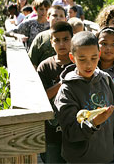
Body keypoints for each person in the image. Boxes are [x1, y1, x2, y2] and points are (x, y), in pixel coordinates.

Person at [54, 31, 114, 163]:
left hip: (109, 158)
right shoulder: (67, 90)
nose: (89, 65)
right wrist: (93, 123)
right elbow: (70, 132)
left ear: (99, 55)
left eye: (94, 58)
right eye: (82, 59)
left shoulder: (105, 80)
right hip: (79, 160)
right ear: (72, 58)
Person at [37, 21, 74, 163]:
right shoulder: (45, 67)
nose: (62, 44)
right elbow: (42, 96)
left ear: (72, 39)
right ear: (51, 42)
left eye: (66, 39)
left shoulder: (80, 63)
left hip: (75, 131)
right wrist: (62, 83)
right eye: (57, 40)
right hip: (51, 131)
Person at [28, 5, 67, 69]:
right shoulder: (40, 37)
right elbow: (32, 62)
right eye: (55, 15)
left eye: (61, 16)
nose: (58, 18)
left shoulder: (71, 38)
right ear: (48, 18)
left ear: (65, 19)